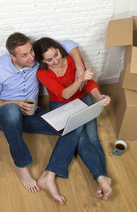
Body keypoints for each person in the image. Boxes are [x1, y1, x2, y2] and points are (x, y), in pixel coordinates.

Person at [0, 32, 85, 195]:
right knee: (11, 112)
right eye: (24, 55)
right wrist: (15, 103)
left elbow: (68, 43)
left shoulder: (35, 58)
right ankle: (21, 166)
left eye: (31, 51)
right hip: (6, 116)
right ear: (12, 57)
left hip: (32, 114)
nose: (31, 57)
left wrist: (80, 69)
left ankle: (49, 174)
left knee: (73, 123)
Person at [33, 37, 113, 202]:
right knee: (82, 138)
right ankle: (99, 176)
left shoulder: (71, 60)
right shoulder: (42, 74)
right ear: (42, 61)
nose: (56, 60)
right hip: (61, 105)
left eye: (56, 54)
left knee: (92, 136)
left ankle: (102, 177)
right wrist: (80, 78)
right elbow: (65, 94)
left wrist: (99, 96)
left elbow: (89, 83)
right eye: (49, 59)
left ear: (59, 49)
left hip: (83, 98)